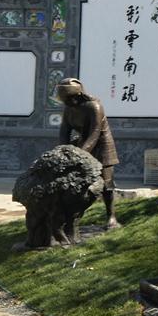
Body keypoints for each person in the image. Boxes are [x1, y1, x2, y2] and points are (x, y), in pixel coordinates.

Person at [56, 78, 120, 229]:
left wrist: (80, 154)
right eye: (64, 99)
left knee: (107, 183)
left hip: (102, 145)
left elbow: (95, 133)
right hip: (83, 143)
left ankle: (111, 217)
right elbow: (64, 131)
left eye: (68, 98)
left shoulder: (94, 106)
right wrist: (63, 150)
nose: (66, 102)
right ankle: (71, 218)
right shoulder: (69, 109)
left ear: (77, 95)